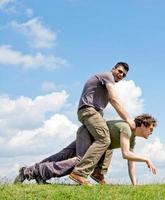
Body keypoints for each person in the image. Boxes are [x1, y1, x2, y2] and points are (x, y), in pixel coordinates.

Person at [14, 114, 157, 186]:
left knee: (64, 154)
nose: (151, 132)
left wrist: (135, 185)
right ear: (143, 125)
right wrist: (146, 159)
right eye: (150, 128)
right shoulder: (126, 128)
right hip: (88, 133)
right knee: (80, 161)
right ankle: (35, 172)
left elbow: (130, 161)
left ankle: (29, 171)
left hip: (88, 134)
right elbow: (126, 154)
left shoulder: (131, 138)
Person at [71, 61, 136, 184]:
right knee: (104, 139)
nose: (121, 75)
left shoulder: (108, 82)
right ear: (113, 69)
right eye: (120, 71)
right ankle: (79, 173)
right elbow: (114, 99)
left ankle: (98, 173)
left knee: (108, 139)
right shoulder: (108, 77)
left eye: (124, 75)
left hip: (95, 113)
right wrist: (127, 118)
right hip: (89, 110)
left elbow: (111, 100)